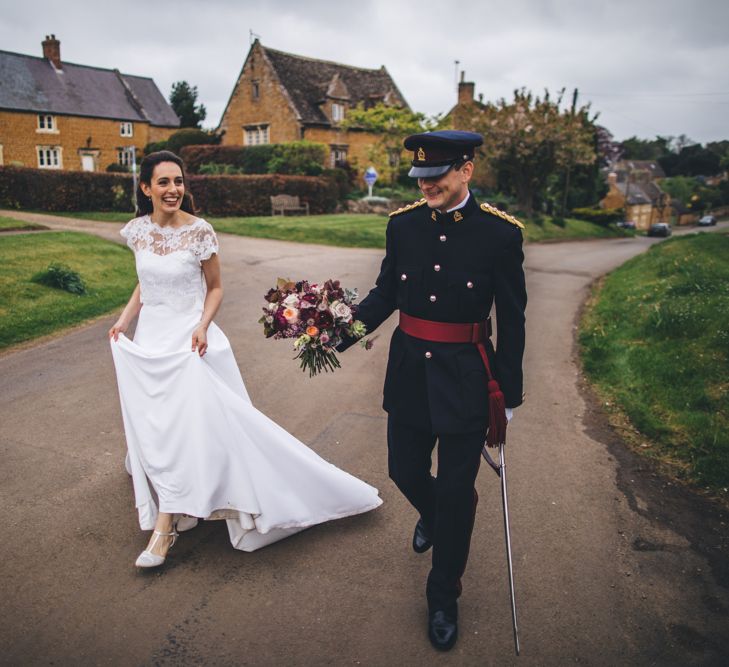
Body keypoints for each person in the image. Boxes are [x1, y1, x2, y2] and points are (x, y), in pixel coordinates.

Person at [109, 150, 381, 568]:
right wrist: (125, 320)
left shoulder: (200, 232)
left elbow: (215, 288)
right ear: (145, 188)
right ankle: (181, 502)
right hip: (151, 342)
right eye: (163, 182)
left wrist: (201, 325)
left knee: (184, 428)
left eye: (178, 181)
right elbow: (145, 284)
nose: (173, 189)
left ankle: (163, 530)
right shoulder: (139, 232)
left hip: (189, 343)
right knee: (159, 428)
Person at [337, 131, 526, 651]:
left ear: (466, 170)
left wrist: (509, 393)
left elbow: (512, 318)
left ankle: (443, 595)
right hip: (410, 375)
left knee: (454, 487)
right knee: (403, 469)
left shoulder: (499, 236)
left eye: (436, 177)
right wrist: (339, 336)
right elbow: (385, 294)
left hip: (467, 377)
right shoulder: (403, 226)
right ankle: (440, 516)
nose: (426, 188)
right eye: (420, 179)